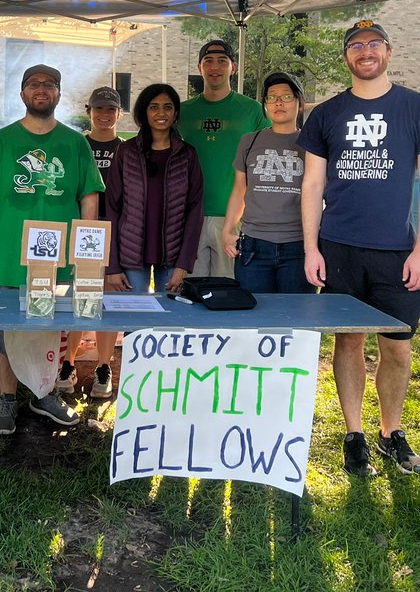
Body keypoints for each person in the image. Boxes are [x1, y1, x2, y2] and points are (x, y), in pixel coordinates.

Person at [299, 20, 420, 477]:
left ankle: (390, 432)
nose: (365, 51)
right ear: (346, 56)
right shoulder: (326, 114)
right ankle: (354, 434)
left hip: (397, 253)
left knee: (397, 349)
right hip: (339, 248)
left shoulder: (418, 109)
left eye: (374, 44)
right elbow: (313, 185)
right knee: (348, 342)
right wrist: (311, 249)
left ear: (388, 51)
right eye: (356, 45)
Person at [0, 64, 104, 435]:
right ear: (22, 93)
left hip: (58, 261)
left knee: (50, 328)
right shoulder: (1, 141)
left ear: (59, 93)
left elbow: (89, 197)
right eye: (33, 84)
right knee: (5, 333)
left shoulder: (75, 143)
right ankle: (8, 397)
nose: (41, 89)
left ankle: (44, 393)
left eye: (49, 84)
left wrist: (85, 256)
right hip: (10, 257)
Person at [178, 39, 269, 278]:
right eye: (208, 61)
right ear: (199, 68)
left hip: (234, 217)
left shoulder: (252, 110)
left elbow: (265, 160)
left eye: (222, 61)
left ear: (233, 67)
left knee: (228, 289)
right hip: (189, 216)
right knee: (189, 290)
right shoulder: (182, 112)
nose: (215, 67)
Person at [104, 83, 204, 296]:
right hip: (131, 254)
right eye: (154, 107)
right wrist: (112, 265)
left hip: (173, 256)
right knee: (135, 314)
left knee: (170, 314)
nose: (161, 113)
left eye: (168, 107)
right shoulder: (126, 151)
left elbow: (195, 210)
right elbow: (112, 208)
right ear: (144, 112)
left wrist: (184, 264)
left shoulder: (187, 155)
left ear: (175, 113)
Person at [58, 86, 123, 398]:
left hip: (115, 232)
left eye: (110, 109)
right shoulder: (76, 145)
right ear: (89, 112)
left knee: (107, 297)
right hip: (83, 232)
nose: (104, 115)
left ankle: (103, 365)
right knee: (81, 296)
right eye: (99, 109)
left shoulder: (126, 149)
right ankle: (68, 363)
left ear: (119, 113)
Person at [221, 72, 307, 294]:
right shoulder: (250, 141)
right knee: (254, 311)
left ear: (299, 101)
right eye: (271, 97)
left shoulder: (311, 143)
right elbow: (239, 190)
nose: (278, 102)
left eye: (286, 96)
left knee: (296, 313)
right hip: (254, 246)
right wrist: (228, 230)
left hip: (298, 246)